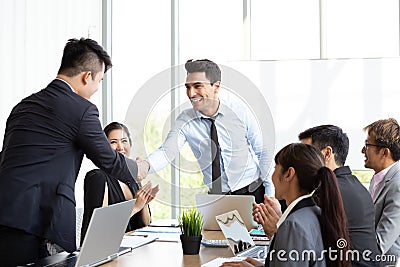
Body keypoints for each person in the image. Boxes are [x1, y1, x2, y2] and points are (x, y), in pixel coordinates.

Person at [0, 38, 149, 267]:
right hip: (39, 222)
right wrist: (139, 169)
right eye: (99, 81)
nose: (97, 89)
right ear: (86, 76)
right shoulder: (81, 109)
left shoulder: (23, 106)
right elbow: (108, 160)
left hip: (6, 214)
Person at [146, 59, 273, 203]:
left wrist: (269, 195)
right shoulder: (185, 120)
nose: (191, 93)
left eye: (197, 86)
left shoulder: (239, 111)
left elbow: (262, 151)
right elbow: (167, 152)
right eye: (187, 87)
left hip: (252, 192)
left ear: (216, 87)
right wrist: (144, 166)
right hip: (216, 198)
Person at [222, 143, 351, 267]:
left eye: (275, 168)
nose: (272, 176)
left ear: (289, 174)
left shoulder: (293, 224)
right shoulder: (315, 212)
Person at [299, 125, 380, 266]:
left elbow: (301, 243)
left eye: (307, 154)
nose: (301, 161)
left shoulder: (329, 192)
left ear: (327, 153)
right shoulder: (356, 185)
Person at [80, 122, 159, 245]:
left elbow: (146, 225)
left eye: (124, 141)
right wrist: (136, 207)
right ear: (104, 148)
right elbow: (100, 230)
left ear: (131, 145)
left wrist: (143, 202)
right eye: (113, 142)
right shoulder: (98, 178)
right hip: (105, 253)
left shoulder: (132, 180)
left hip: (132, 251)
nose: (120, 147)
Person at [362, 118, 400, 264]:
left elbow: (380, 244)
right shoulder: (379, 177)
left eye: (367, 145)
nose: (362, 150)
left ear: (385, 152)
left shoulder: (397, 185)